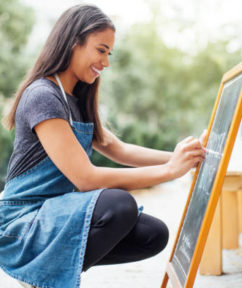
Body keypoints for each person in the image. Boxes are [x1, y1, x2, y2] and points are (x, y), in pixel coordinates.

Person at [0, 4, 206, 288]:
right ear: (74, 42)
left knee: (152, 234)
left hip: (54, 213)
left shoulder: (78, 97)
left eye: (109, 53)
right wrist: (170, 171)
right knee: (119, 205)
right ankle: (43, 278)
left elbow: (117, 148)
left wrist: (184, 157)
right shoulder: (42, 95)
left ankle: (44, 274)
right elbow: (86, 179)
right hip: (22, 221)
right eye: (101, 50)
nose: (106, 62)